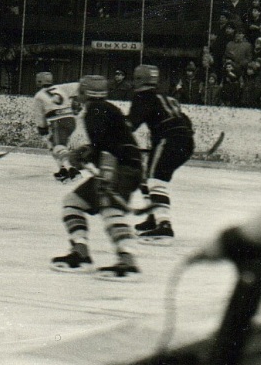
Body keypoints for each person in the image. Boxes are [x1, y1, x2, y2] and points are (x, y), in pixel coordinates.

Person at [50, 74, 143, 280]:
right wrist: (85, 153)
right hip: (123, 167)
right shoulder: (106, 109)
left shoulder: (95, 112)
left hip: (120, 169)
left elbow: (108, 151)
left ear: (84, 92)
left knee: (110, 210)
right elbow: (106, 144)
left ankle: (127, 261)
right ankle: (81, 253)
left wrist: (102, 175)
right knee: (73, 202)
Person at [126, 64, 195, 245]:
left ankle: (164, 226)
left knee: (155, 181)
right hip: (182, 140)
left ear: (139, 79)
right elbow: (185, 121)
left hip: (168, 140)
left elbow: (130, 125)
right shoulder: (165, 96)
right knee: (146, 178)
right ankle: (154, 217)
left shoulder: (143, 96)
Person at [31, 71, 82, 182]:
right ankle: (62, 169)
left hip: (58, 122)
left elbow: (39, 115)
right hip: (71, 120)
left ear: (39, 82)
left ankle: (72, 170)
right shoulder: (61, 88)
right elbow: (79, 86)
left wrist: (42, 127)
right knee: (53, 144)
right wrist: (78, 102)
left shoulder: (38, 96)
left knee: (58, 147)